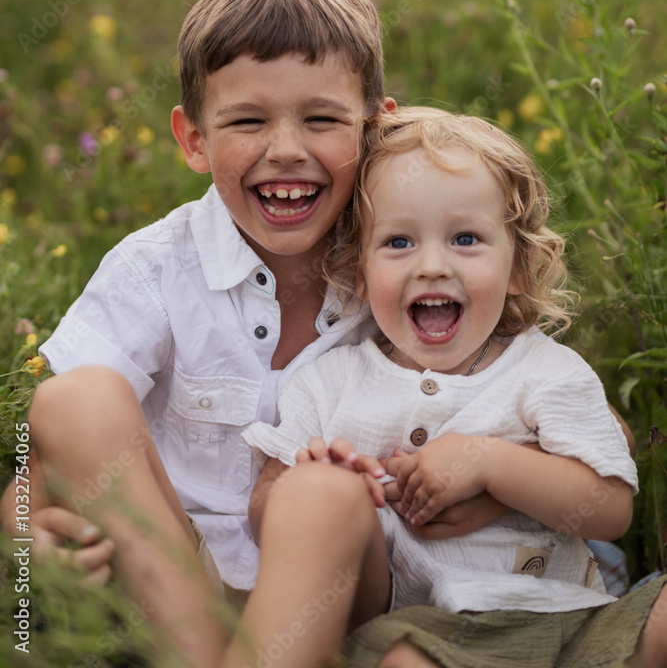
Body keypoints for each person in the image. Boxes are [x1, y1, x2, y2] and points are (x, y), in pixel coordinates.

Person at [0, 0, 395, 667]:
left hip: (335, 599)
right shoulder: (156, 268)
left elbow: (528, 380)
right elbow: (38, 464)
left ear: (374, 127)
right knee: (73, 397)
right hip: (172, 590)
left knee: (327, 496)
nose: (285, 150)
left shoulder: (404, 264)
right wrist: (25, 542)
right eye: (247, 120)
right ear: (193, 139)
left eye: (322, 118)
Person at [226, 107, 667, 668]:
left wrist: (487, 461)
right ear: (359, 272)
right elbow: (266, 510)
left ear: (520, 269)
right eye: (399, 243)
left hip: (573, 623)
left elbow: (610, 509)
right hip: (426, 635)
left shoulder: (546, 371)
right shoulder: (329, 382)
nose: (432, 265)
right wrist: (316, 482)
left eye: (465, 238)